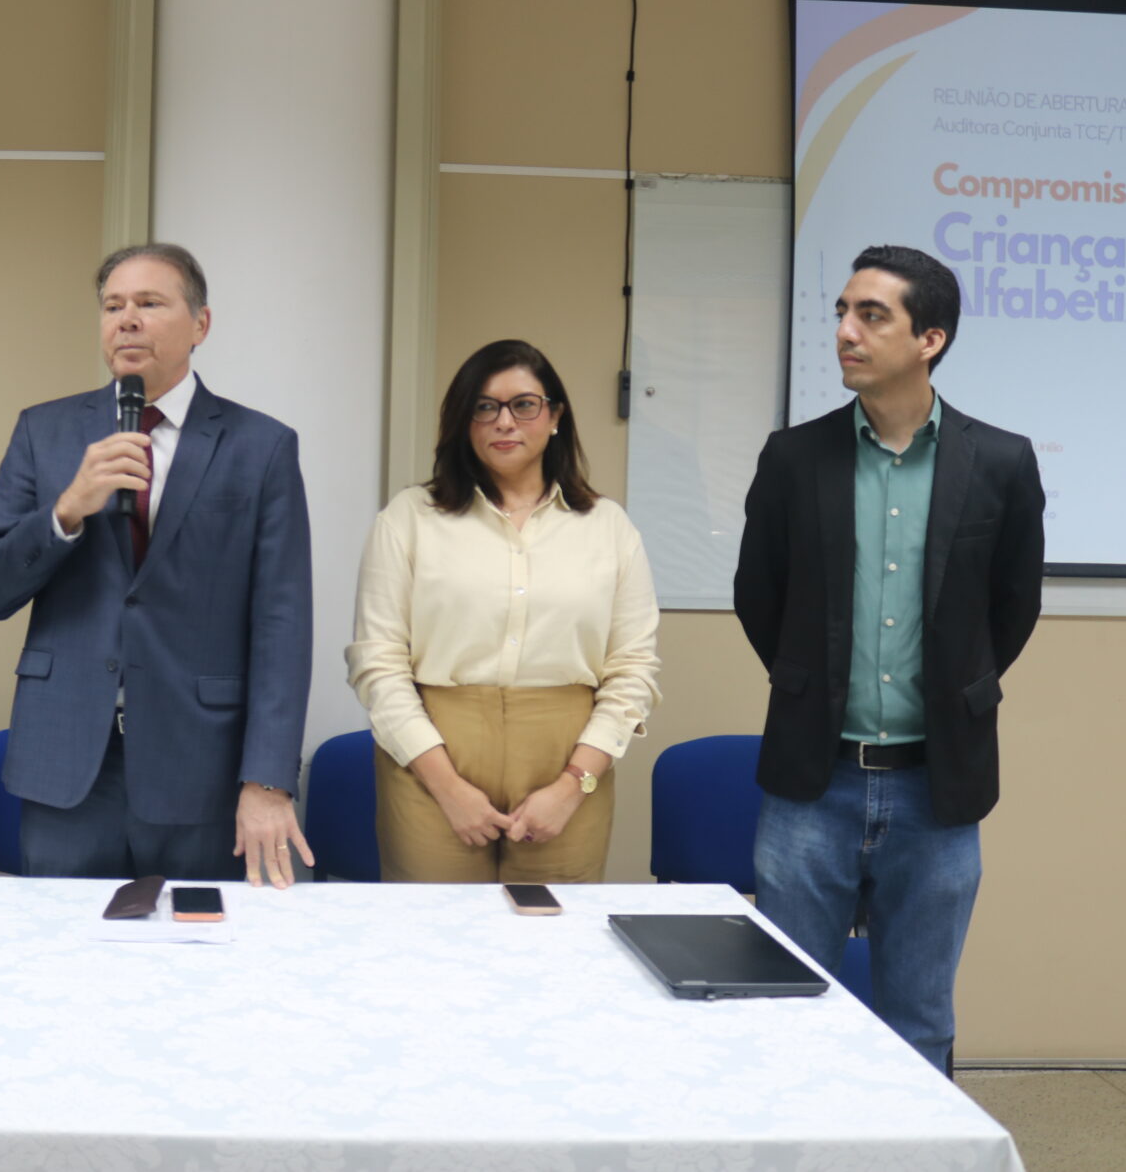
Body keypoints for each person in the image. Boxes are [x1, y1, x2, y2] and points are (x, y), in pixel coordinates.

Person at [735, 244, 1045, 1074]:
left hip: (938, 789)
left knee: (918, 1020)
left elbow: (1014, 609)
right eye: (841, 311)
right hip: (813, 783)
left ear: (929, 338)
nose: (845, 331)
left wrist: (955, 692)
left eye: (871, 315)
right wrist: (810, 685)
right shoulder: (795, 458)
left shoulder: (1002, 462)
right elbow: (757, 597)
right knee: (786, 1015)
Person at [0, 243, 314, 887]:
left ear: (200, 324)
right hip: (68, 767)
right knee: (66, 962)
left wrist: (267, 779)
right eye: (112, 305)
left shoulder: (261, 447)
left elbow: (282, 626)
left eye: (150, 303)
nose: (126, 319)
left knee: (199, 957)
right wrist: (67, 510)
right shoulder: (44, 432)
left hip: (200, 766)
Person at [347, 339, 661, 884]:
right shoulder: (410, 518)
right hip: (432, 757)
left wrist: (571, 787)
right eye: (484, 406)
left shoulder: (608, 527)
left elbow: (633, 670)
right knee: (437, 946)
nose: (504, 422)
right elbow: (378, 664)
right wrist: (447, 787)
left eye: (524, 404)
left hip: (567, 759)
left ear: (555, 415)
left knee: (551, 942)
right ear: (464, 421)